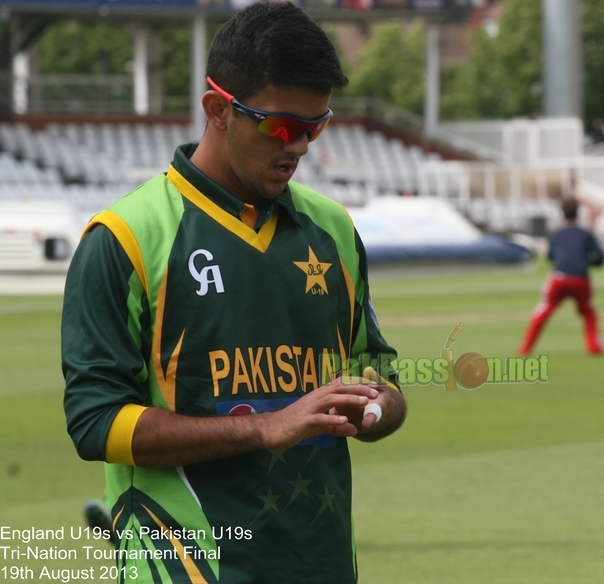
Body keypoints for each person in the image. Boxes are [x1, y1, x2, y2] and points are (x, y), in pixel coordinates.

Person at [62, 4, 406, 582]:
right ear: (219, 110)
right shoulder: (124, 238)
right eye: (280, 126)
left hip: (320, 563)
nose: (299, 146)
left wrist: (378, 406)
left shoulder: (335, 230)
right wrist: (266, 426)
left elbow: (376, 372)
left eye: (315, 127)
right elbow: (96, 424)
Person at [518, 198, 604, 356]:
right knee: (587, 311)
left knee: (544, 310)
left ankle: (526, 347)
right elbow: (600, 258)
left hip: (559, 279)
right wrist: (586, 261)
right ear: (578, 212)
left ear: (562, 213)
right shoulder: (585, 233)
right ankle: (594, 346)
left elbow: (550, 257)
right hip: (581, 280)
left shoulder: (555, 234)